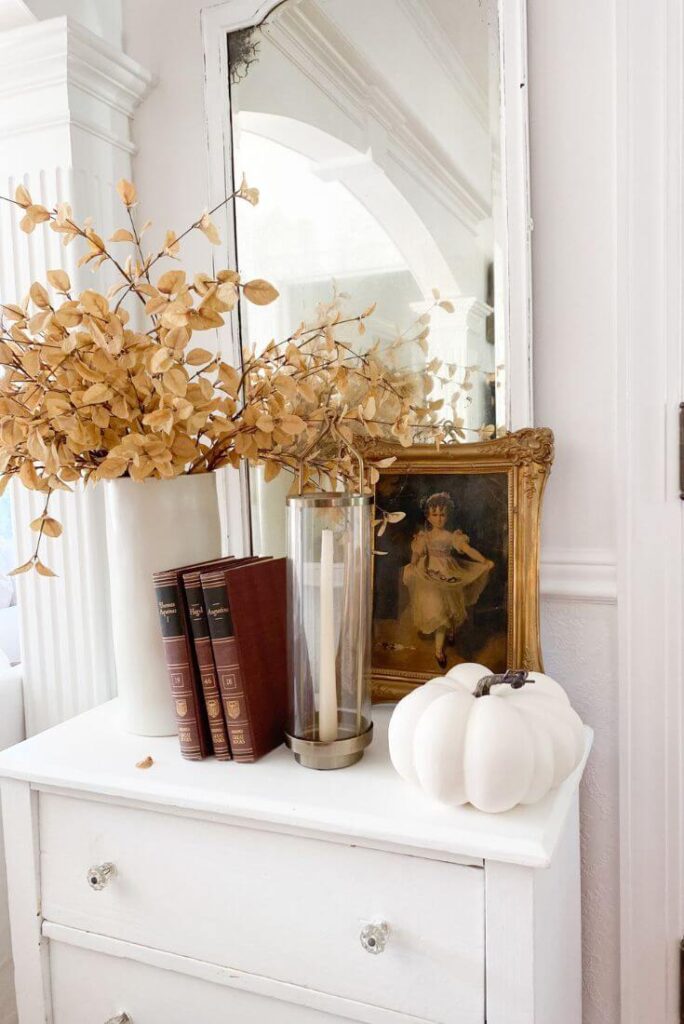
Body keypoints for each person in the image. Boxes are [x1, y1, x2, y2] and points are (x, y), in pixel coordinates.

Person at [402, 491, 493, 668]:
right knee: (439, 610)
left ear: (448, 515)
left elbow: (467, 550)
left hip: (449, 572)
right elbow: (417, 553)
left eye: (442, 514)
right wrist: (413, 565)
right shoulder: (425, 537)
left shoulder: (452, 537)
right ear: (428, 516)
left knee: (451, 605)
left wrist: (483, 561)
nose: (439, 519)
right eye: (434, 514)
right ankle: (439, 651)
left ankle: (450, 631)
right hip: (430, 573)